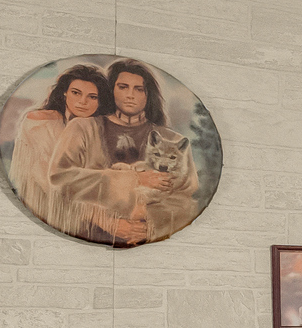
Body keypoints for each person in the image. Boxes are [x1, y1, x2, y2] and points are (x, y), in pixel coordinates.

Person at [51, 56, 197, 246]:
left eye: (139, 89)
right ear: (111, 90)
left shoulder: (174, 141)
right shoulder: (82, 128)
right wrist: (107, 221)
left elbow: (187, 198)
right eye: (123, 87)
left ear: (148, 95)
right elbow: (59, 179)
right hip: (82, 238)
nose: (130, 95)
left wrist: (149, 228)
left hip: (149, 245)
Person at [11, 65, 103, 221]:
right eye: (76, 93)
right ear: (65, 92)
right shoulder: (41, 121)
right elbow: (49, 180)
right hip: (45, 210)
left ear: (100, 102)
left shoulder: (98, 129)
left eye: (92, 97)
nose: (83, 102)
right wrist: (99, 219)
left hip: (82, 214)